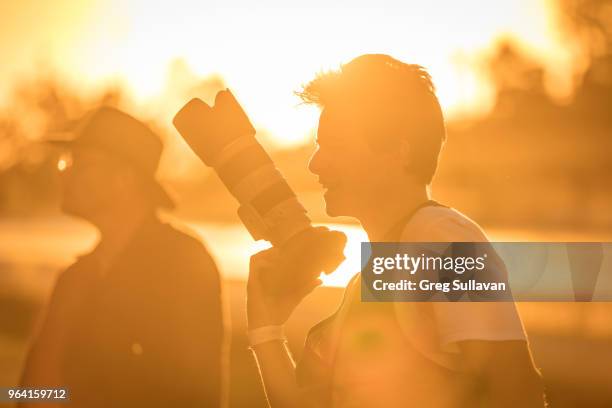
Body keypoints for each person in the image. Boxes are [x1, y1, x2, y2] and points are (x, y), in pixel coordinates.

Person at [246, 54, 546, 407]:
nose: (315, 163)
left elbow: (515, 391)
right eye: (318, 146)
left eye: (335, 145)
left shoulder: (443, 238)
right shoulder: (374, 274)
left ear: (398, 151)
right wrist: (266, 328)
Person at [19, 107, 225, 407]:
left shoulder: (182, 264)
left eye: (78, 163)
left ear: (124, 178)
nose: (65, 174)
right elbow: (34, 392)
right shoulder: (76, 276)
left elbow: (195, 392)